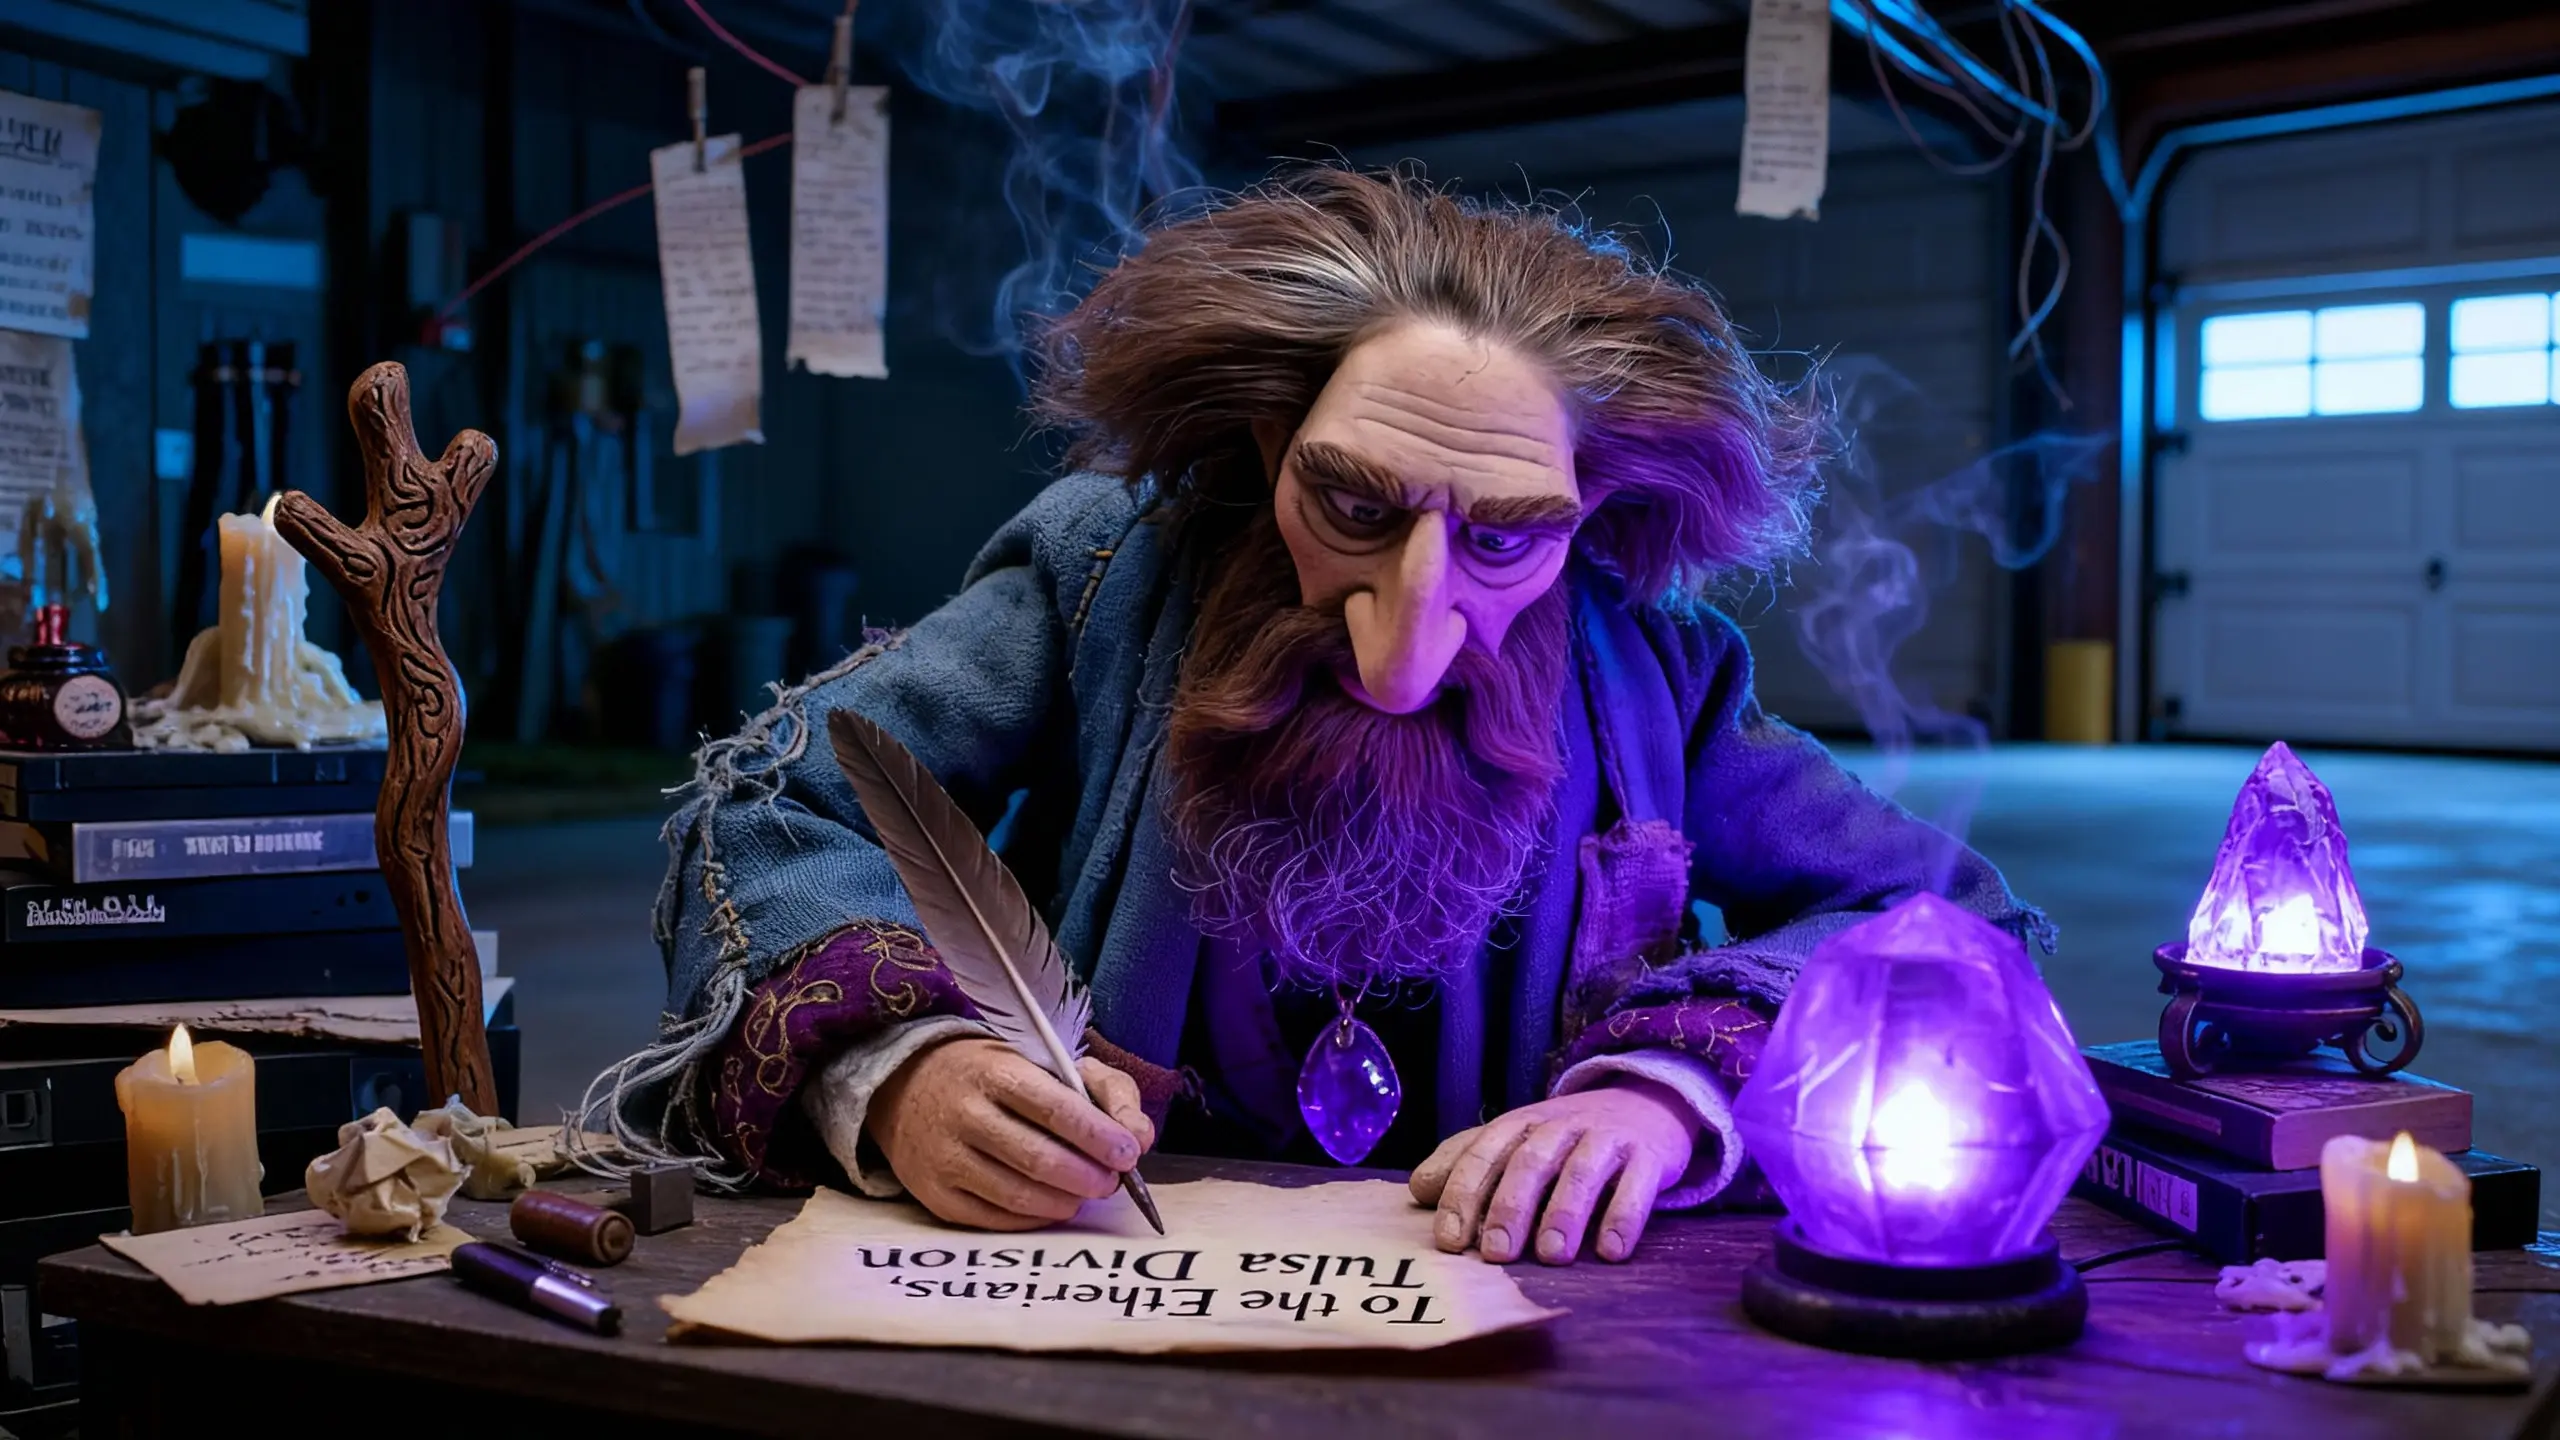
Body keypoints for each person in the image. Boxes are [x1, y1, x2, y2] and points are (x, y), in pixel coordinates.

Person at [587, 166, 2049, 1267]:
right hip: (1100, 1282)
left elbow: (1950, 926)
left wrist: (1668, 1093)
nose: (1406, 646)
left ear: (1587, 513)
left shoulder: (1655, 669)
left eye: (1507, 538)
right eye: (1353, 506)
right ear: (1275, 443)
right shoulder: (1109, 573)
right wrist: (905, 1063)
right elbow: (778, 801)